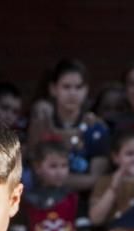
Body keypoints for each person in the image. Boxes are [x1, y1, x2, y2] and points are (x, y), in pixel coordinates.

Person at [28, 59, 111, 203]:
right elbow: (33, 170)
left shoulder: (97, 128)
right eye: (66, 87)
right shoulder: (40, 125)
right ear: (53, 89)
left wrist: (51, 177)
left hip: (84, 204)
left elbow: (96, 179)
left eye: (78, 87)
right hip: (41, 201)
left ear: (86, 90)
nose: (72, 93)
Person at [17, 136, 90, 231]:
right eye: (53, 166)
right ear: (38, 167)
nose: (59, 172)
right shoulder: (26, 201)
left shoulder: (75, 199)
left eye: (64, 166)